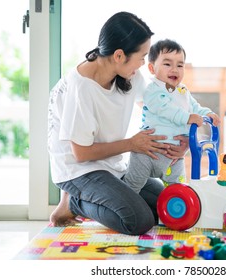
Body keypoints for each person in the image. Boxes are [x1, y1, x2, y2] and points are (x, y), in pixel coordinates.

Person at [47, 12, 188, 235]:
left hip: (112, 165)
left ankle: (93, 198)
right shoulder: (81, 88)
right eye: (142, 57)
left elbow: (155, 109)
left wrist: (180, 141)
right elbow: (81, 154)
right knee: (139, 221)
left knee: (165, 205)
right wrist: (132, 144)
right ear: (119, 55)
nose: (143, 64)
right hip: (78, 171)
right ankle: (74, 202)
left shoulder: (129, 75)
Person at [124, 39, 220, 193]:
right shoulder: (152, 90)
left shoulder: (183, 91)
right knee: (132, 187)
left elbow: (194, 107)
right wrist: (188, 118)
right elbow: (165, 109)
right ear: (152, 68)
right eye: (167, 64)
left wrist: (207, 113)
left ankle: (177, 214)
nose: (174, 69)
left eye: (180, 65)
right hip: (147, 153)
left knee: (178, 190)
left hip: (174, 157)